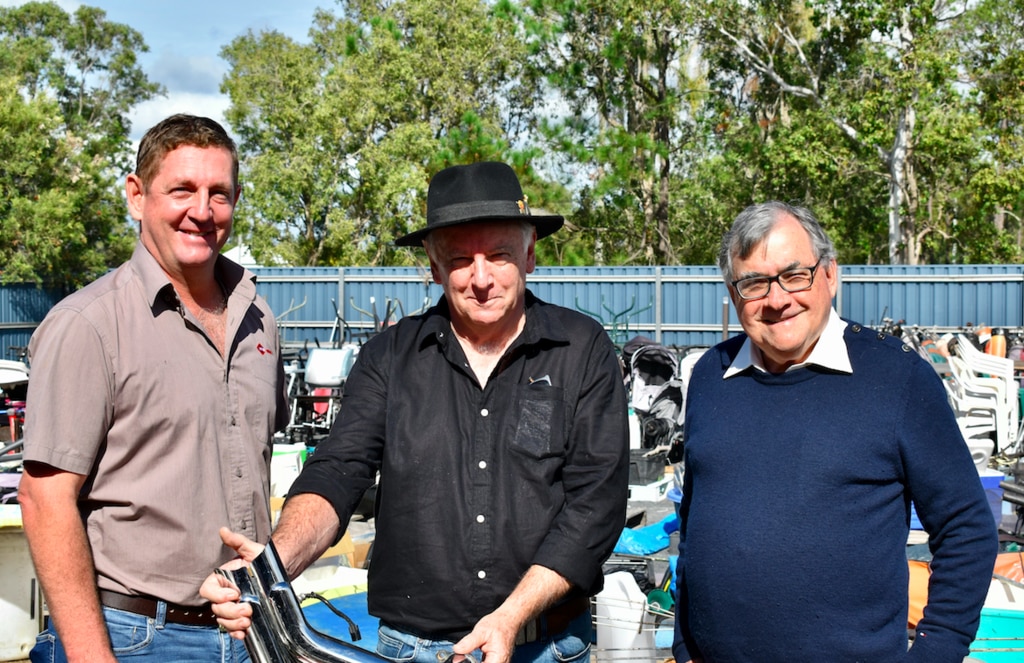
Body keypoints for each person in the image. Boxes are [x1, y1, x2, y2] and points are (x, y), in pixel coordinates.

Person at [201, 161, 629, 663]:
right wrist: (270, 569)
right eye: (460, 260)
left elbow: (595, 505)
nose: (481, 278)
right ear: (433, 266)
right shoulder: (390, 357)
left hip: (546, 647)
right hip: (412, 651)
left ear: (530, 253)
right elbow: (339, 471)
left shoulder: (582, 349)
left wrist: (509, 616)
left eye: (498, 255)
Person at [672, 201, 998, 663]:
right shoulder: (709, 376)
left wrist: (935, 651)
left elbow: (966, 529)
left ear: (830, 275)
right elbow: (695, 521)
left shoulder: (897, 378)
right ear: (733, 292)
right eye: (754, 283)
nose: (777, 298)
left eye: (794, 275)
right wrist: (685, 642)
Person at [18, 114, 289, 663]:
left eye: (219, 193)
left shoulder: (258, 315)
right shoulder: (90, 324)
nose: (202, 211)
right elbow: (44, 499)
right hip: (136, 635)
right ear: (137, 196)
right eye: (182, 190)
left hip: (251, 630)